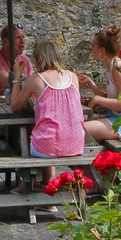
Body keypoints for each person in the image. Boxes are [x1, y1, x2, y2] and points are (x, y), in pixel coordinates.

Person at [9, 40, 88, 190]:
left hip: (48, 146)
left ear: (39, 59)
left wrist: (17, 77)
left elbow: (15, 106)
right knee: (45, 132)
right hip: (76, 144)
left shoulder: (36, 79)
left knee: (31, 135)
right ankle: (48, 185)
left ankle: (29, 183)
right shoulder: (73, 77)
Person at [82, 25, 121, 142]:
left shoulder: (118, 67)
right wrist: (91, 83)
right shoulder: (111, 66)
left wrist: (97, 100)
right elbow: (113, 100)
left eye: (93, 45)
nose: (91, 48)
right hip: (116, 116)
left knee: (78, 130)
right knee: (73, 125)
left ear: (102, 50)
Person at [0, 25, 35, 102]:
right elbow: (6, 82)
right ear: (5, 41)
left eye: (23, 37)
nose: (22, 41)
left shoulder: (25, 60)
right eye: (17, 37)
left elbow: (32, 85)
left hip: (19, 105)